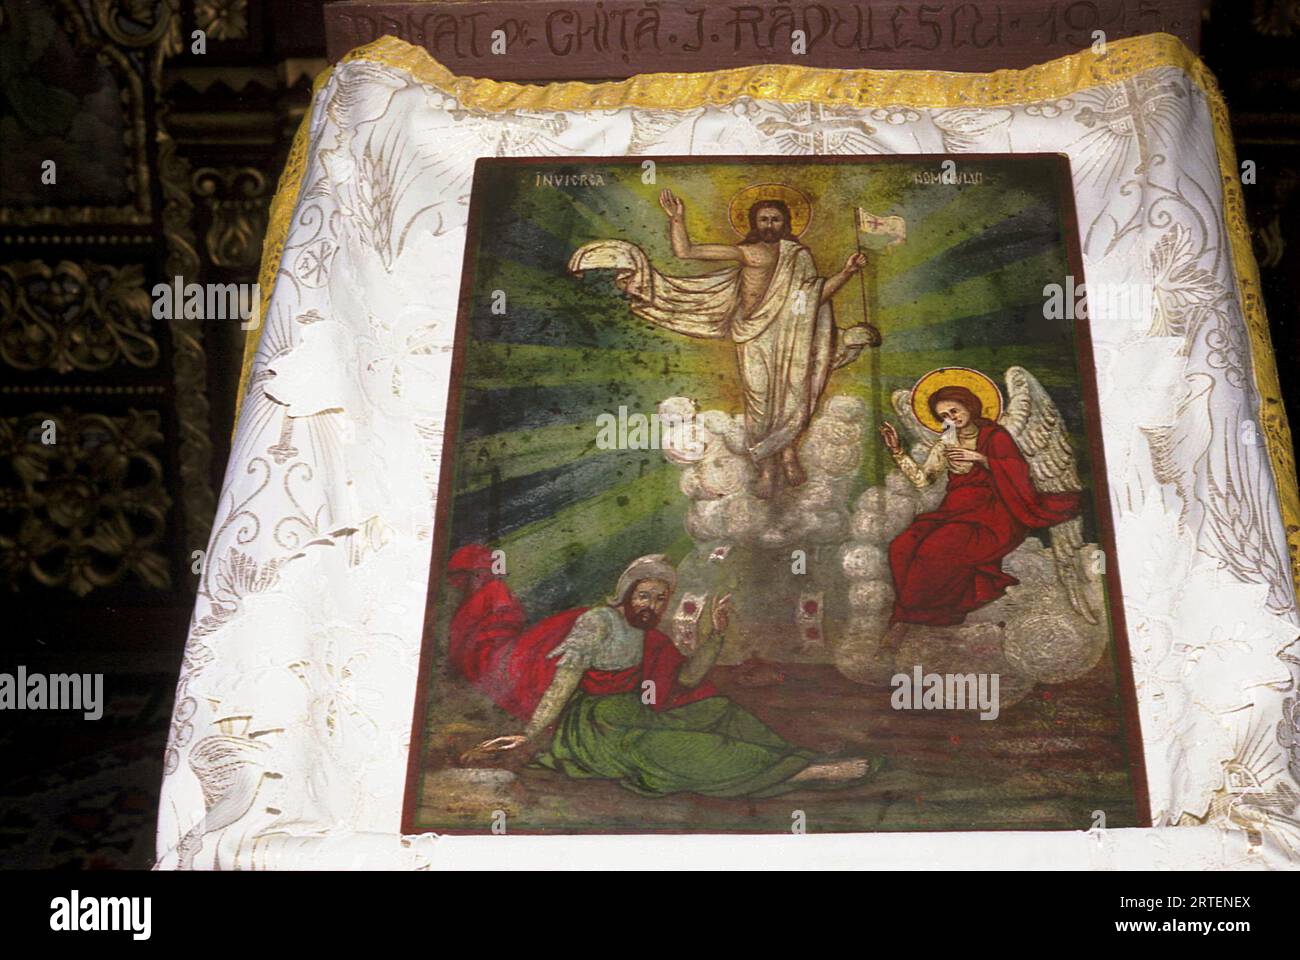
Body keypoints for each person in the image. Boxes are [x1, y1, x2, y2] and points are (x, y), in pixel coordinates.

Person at [461, 554, 882, 797]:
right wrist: (533, 733)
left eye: (660, 599)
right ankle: (802, 774)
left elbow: (685, 681)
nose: (651, 604)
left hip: (633, 711)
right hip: (594, 728)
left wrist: (715, 636)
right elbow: (564, 682)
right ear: (626, 595)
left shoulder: (649, 634)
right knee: (674, 746)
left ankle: (792, 756)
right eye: (644, 595)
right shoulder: (598, 623)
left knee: (719, 710)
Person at [878, 386, 1082, 627]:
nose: (951, 418)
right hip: (953, 511)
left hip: (994, 515)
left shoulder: (995, 436)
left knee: (935, 548)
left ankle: (921, 611)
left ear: (969, 405)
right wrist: (897, 451)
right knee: (902, 546)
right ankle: (920, 609)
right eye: (943, 416)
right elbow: (924, 480)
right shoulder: (946, 442)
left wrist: (981, 458)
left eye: (954, 410)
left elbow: (1018, 473)